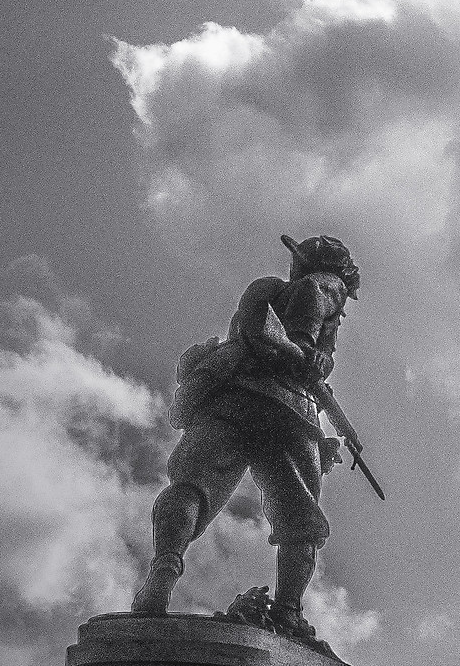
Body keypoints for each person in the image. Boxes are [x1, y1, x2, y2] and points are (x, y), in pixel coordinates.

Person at [131, 235, 363, 644]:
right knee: (300, 524)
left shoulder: (266, 288)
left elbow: (255, 327)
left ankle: (164, 567)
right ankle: (288, 613)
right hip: (290, 411)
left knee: (190, 486)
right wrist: (306, 354)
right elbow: (306, 350)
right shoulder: (327, 288)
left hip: (233, 399)